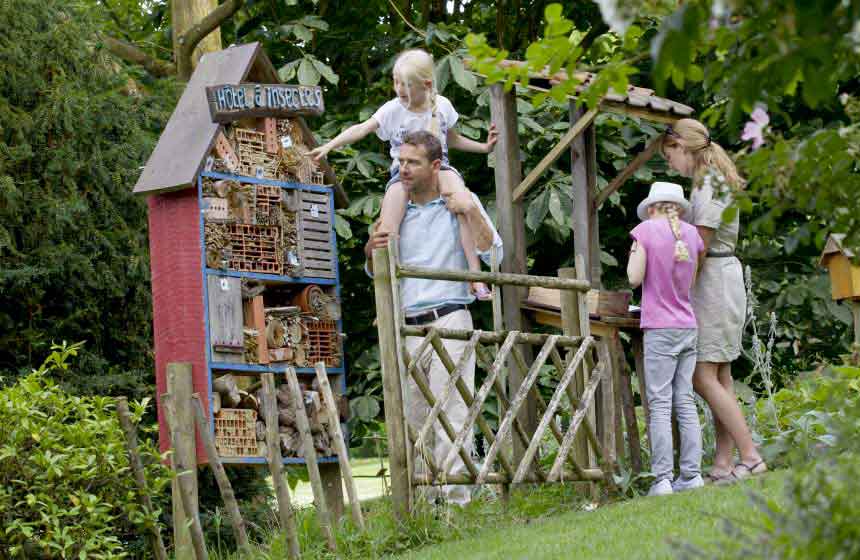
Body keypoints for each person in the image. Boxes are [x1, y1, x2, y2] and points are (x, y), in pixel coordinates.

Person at [365, 131, 503, 505]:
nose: (403, 168)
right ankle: (426, 506)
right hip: (407, 323)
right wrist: (369, 249)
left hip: (451, 318)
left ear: (435, 166)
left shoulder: (458, 202)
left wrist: (472, 210)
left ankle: (457, 501)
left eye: (412, 162)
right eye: (401, 161)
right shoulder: (396, 207)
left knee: (453, 410)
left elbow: (495, 255)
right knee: (414, 418)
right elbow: (374, 269)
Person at [311, 48, 498, 300]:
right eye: (396, 81)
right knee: (387, 225)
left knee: (463, 203)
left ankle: (475, 279)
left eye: (406, 84)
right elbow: (362, 129)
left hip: (439, 168)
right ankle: (390, 295)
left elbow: (451, 138)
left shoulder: (442, 106)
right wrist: (330, 145)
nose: (399, 88)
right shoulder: (393, 109)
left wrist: (484, 148)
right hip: (402, 175)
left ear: (426, 85)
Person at [661, 118, 767, 483]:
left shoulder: (708, 183)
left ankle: (751, 456)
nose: (670, 163)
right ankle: (723, 465)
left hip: (714, 283)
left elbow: (700, 246)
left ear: (683, 148)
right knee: (719, 374)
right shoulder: (708, 180)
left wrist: (678, 289)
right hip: (720, 280)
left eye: (670, 155)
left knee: (700, 374)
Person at [628, 182, 705, 496]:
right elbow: (692, 281)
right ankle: (692, 475)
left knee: (659, 404)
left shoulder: (645, 231)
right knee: (685, 402)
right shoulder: (693, 235)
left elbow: (633, 277)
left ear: (651, 208)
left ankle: (662, 480)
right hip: (688, 325)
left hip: (659, 329)